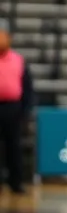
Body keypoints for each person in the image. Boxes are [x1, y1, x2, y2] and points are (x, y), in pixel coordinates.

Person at [0, 28, 32, 194]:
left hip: (13, 108)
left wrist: (25, 110)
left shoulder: (18, 60)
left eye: (3, 36)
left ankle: (16, 182)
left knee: (14, 147)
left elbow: (27, 87)